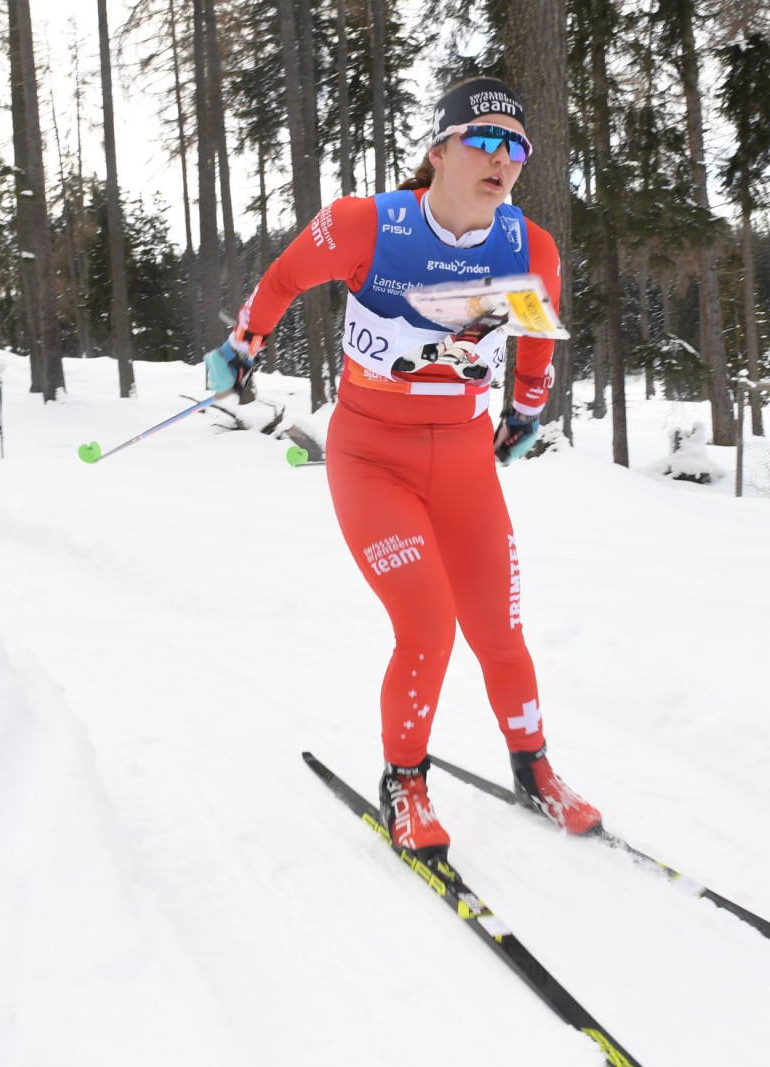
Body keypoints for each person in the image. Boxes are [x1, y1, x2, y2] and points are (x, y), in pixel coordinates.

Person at [210, 76, 598, 860]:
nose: (501, 159)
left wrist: (526, 410)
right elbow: (284, 279)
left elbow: (536, 335)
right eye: (483, 140)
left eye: (516, 148)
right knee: (427, 623)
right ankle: (405, 782)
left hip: (463, 459)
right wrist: (245, 341)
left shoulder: (529, 247)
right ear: (440, 150)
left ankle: (534, 768)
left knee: (500, 630)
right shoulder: (368, 225)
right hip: (371, 458)